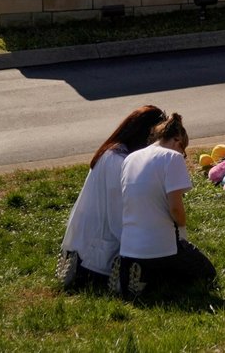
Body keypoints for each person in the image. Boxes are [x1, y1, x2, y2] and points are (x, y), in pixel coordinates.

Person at [57, 104, 167, 290]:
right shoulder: (118, 161)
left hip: (87, 244)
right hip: (96, 257)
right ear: (146, 135)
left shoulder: (113, 152)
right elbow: (121, 216)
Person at [111, 112, 216, 299]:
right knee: (206, 272)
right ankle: (151, 274)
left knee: (154, 265)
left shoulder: (130, 158)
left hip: (128, 243)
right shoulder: (171, 158)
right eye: (183, 151)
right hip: (161, 244)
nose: (182, 155)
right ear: (177, 140)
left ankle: (130, 271)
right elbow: (175, 208)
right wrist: (183, 230)